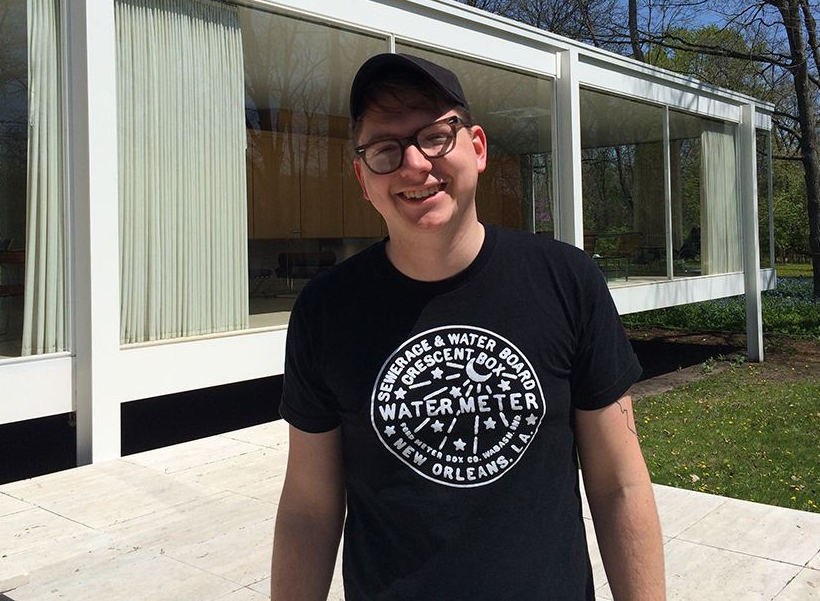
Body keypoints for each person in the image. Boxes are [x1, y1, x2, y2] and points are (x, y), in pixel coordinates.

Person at [271, 53, 666, 600]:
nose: (414, 164)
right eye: (386, 149)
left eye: (436, 136)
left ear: (476, 148)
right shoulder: (325, 311)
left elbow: (619, 483)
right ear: (364, 178)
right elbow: (309, 508)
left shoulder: (566, 282)